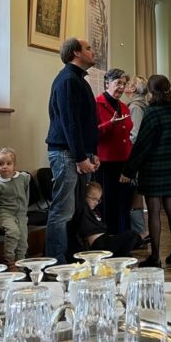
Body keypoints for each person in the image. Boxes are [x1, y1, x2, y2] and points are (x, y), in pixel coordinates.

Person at [121, 75, 171, 268]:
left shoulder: (152, 112)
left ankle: (155, 257)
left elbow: (142, 144)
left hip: (154, 167)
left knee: (153, 211)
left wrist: (128, 170)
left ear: (151, 91)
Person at [45, 37, 99, 262]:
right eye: (88, 48)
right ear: (76, 53)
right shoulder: (68, 80)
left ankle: (71, 254)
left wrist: (92, 152)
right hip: (66, 153)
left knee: (75, 209)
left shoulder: (79, 79)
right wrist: (80, 156)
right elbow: (70, 122)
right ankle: (55, 262)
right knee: (62, 211)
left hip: (77, 153)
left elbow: (88, 121)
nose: (93, 51)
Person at [94, 68, 133, 235]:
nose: (121, 87)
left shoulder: (124, 106)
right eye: (118, 83)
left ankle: (123, 238)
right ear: (107, 83)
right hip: (105, 162)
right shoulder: (96, 104)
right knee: (107, 202)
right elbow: (91, 133)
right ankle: (109, 238)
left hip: (123, 161)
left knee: (124, 202)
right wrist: (110, 124)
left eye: (124, 84)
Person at [0, 147, 31, 269]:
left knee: (23, 242)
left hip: (21, 215)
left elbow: (26, 184)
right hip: (6, 214)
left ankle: (21, 267)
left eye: (9, 163)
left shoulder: (23, 178)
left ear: (14, 166)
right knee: (13, 232)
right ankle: (10, 262)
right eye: (0, 164)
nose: (4, 167)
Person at [76, 182, 138, 257]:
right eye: (94, 199)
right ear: (85, 196)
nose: (96, 203)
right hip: (99, 244)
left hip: (105, 239)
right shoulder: (83, 208)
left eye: (98, 200)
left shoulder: (95, 211)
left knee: (129, 252)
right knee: (132, 234)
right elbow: (80, 192)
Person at [125, 75, 149, 244]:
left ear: (133, 88)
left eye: (127, 84)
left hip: (135, 157)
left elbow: (134, 135)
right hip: (142, 158)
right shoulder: (143, 105)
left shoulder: (135, 107)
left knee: (134, 195)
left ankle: (140, 232)